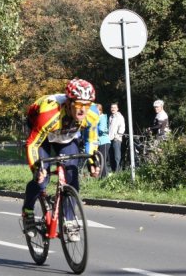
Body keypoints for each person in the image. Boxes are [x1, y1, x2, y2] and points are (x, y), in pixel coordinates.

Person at [22, 78, 100, 241]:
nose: (83, 110)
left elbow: (91, 140)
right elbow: (32, 144)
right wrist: (37, 169)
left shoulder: (92, 114)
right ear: (69, 103)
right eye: (79, 105)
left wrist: (93, 162)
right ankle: (28, 212)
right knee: (42, 180)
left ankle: (70, 221)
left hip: (65, 135)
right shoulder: (50, 113)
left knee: (72, 176)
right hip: (42, 133)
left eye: (86, 105)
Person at [108, 102, 126, 172]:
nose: (113, 109)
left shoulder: (120, 117)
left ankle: (117, 172)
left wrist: (117, 136)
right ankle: (113, 171)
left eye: (114, 107)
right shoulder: (111, 117)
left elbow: (122, 127)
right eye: (112, 107)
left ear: (117, 109)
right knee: (111, 156)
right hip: (110, 139)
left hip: (116, 139)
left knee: (117, 156)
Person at [96, 103, 110, 178]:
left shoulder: (102, 117)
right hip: (99, 141)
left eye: (96, 110)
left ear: (100, 110)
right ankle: (102, 176)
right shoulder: (97, 118)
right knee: (100, 160)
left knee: (103, 159)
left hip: (104, 141)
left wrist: (94, 129)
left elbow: (101, 129)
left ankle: (104, 177)